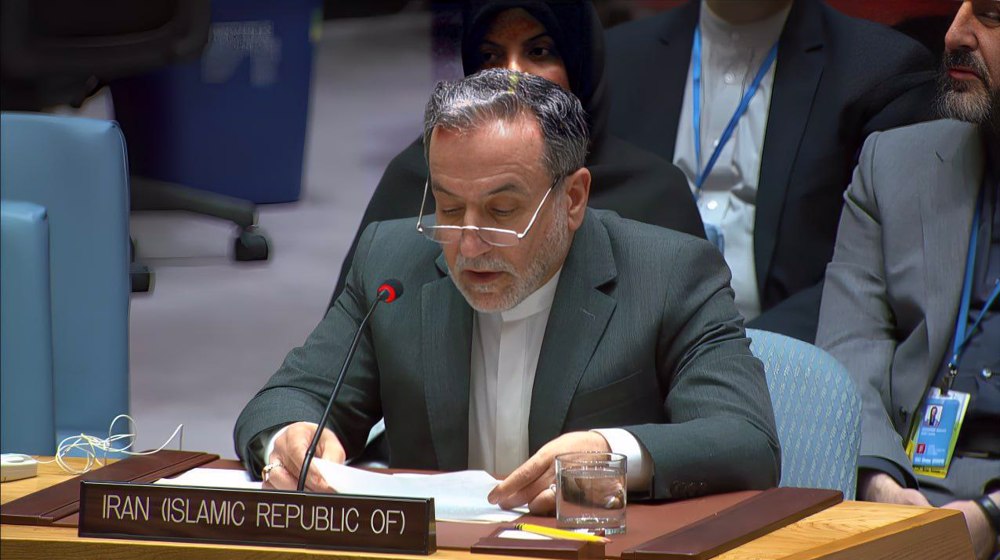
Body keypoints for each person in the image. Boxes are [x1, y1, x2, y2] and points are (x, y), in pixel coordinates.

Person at [235, 69, 780, 513]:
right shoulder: (392, 260)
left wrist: (610, 452)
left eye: (501, 212)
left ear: (572, 198)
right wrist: (293, 436)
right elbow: (284, 401)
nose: (468, 245)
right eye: (449, 209)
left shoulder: (670, 273)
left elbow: (744, 437)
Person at [604, 0, 939, 342]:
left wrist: (731, 353)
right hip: (631, 351)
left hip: (782, 354)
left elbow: (875, 275)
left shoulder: (879, 70)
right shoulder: (615, 57)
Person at [328, 0, 704, 304]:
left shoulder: (654, 198)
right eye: (490, 56)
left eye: (537, 51)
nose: (512, 77)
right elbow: (337, 362)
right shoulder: (419, 179)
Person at [816, 1, 999, 557]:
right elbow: (850, 347)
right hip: (898, 489)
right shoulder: (893, 164)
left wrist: (992, 516)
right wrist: (879, 483)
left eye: (990, 15)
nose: (954, 34)